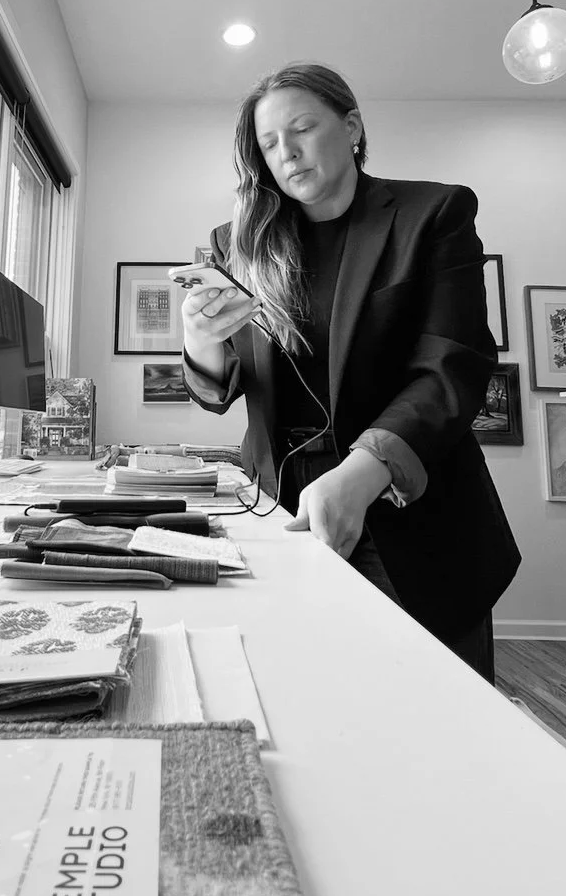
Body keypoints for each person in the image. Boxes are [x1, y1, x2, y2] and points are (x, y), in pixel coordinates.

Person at [181, 63, 521, 681]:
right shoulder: (239, 243)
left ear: (353, 126)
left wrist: (360, 476)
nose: (287, 153)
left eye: (303, 129)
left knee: (435, 718)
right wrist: (200, 339)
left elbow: (452, 368)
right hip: (276, 509)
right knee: (302, 704)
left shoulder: (433, 213)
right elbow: (219, 388)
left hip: (411, 514)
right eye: (268, 144)